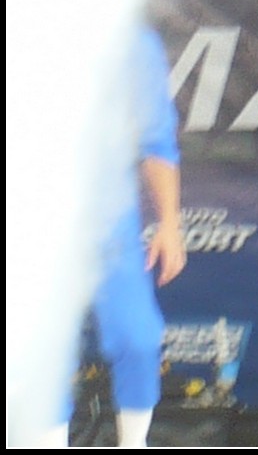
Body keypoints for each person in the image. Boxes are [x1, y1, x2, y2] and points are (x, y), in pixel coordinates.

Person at [48, 26, 186, 448]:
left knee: (138, 338)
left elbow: (157, 143)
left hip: (111, 227)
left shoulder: (134, 43)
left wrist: (169, 224)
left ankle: (133, 442)